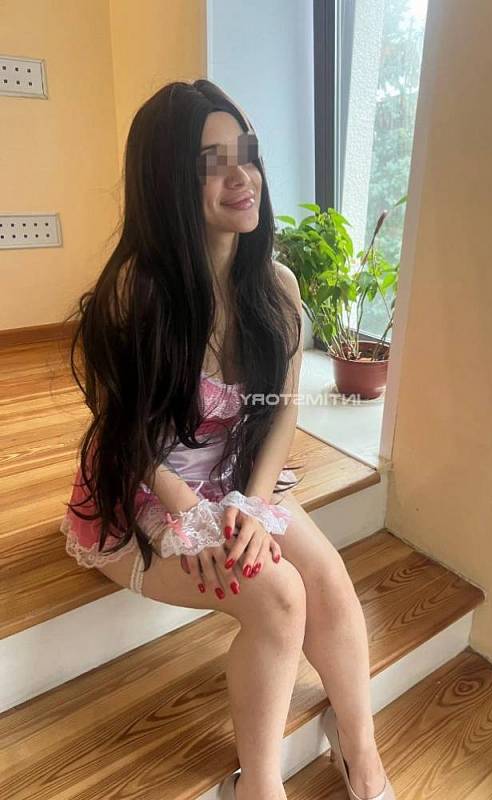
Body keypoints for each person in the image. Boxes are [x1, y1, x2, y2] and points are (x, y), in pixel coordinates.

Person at [59, 80, 393, 800]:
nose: (241, 176)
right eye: (212, 162)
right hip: (150, 488)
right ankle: (260, 785)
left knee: (327, 578)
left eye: (246, 154)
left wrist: (254, 503)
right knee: (278, 596)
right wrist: (194, 517)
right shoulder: (135, 295)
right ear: (166, 182)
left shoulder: (275, 285)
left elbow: (279, 415)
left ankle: (361, 753)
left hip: (234, 475)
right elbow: (126, 437)